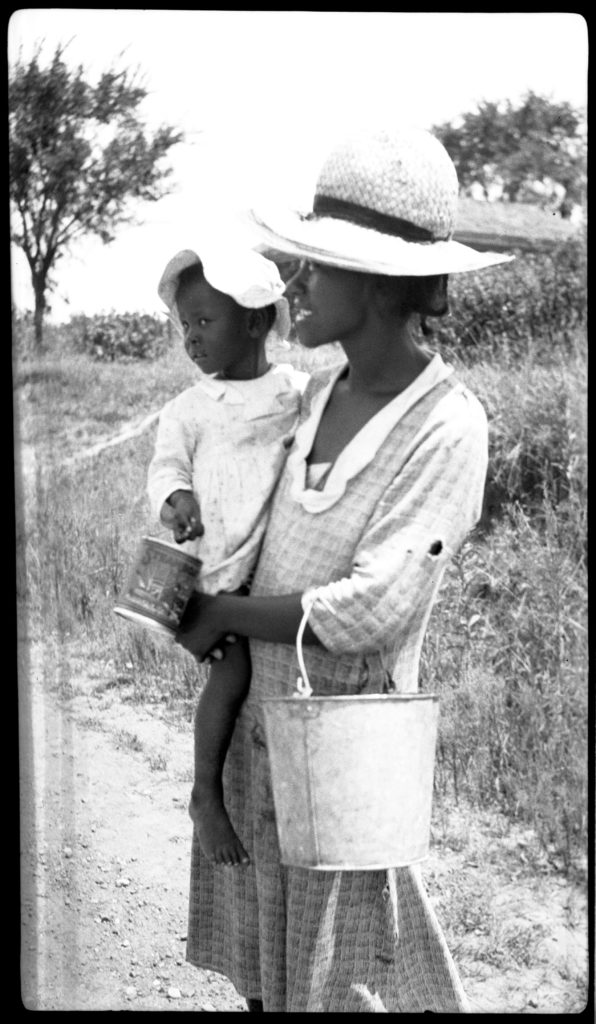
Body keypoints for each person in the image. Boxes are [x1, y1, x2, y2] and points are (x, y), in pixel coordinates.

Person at [175, 126, 513, 1013]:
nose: (299, 284)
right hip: (257, 739)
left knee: (340, 984)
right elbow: (244, 523)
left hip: (341, 760)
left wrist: (223, 615)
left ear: (377, 284)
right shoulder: (311, 395)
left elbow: (371, 610)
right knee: (265, 970)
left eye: (318, 267)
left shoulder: (448, 427)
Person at [147, 245, 307, 867]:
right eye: (185, 323)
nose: (191, 336)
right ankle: (204, 796)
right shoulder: (188, 410)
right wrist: (176, 497)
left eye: (206, 320)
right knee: (232, 672)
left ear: (258, 320)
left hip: (274, 566)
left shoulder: (297, 392)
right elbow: (165, 469)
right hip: (214, 574)